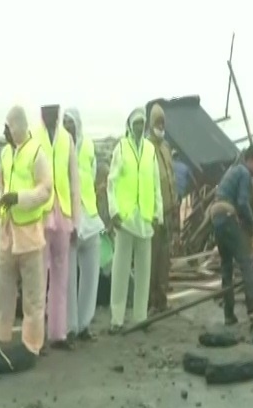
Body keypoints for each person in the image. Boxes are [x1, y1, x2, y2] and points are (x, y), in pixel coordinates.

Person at [0, 106, 52, 355]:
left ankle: (32, 345)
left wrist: (19, 198)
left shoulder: (37, 153)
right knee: (3, 292)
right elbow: (0, 184)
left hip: (29, 235)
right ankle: (1, 338)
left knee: (33, 297)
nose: (5, 132)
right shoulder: (5, 154)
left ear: (18, 126)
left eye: (8, 127)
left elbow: (45, 190)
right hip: (7, 234)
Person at [107, 108, 163, 333]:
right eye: (137, 123)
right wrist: (114, 212)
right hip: (126, 218)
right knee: (120, 272)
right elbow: (111, 183)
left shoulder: (150, 150)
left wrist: (158, 214)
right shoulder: (121, 148)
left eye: (143, 123)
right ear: (130, 126)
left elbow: (155, 184)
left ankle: (140, 317)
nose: (140, 127)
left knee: (144, 272)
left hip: (145, 219)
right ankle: (116, 319)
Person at [34, 104, 81, 350]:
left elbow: (75, 182)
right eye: (46, 110)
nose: (50, 115)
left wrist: (76, 223)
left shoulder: (66, 140)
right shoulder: (33, 137)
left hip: (62, 214)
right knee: (39, 279)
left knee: (61, 277)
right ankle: (37, 337)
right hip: (41, 216)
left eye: (53, 110)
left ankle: (58, 333)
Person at [62, 108, 103, 342]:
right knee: (68, 278)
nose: (68, 125)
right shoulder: (59, 149)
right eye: (65, 122)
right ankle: (70, 327)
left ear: (78, 123)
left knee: (90, 277)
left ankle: (85, 324)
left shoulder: (88, 146)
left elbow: (94, 173)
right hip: (69, 220)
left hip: (91, 217)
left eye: (71, 122)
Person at [209, 145, 253, 325]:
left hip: (217, 219)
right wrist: (251, 224)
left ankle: (229, 315)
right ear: (252, 161)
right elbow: (242, 203)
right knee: (246, 262)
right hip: (228, 216)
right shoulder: (245, 174)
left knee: (226, 267)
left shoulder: (233, 171)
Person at [147, 103, 177, 313]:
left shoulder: (166, 148)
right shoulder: (146, 148)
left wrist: (174, 205)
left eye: (163, 122)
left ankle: (162, 299)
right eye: (157, 122)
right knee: (152, 258)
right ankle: (150, 300)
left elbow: (171, 178)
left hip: (168, 211)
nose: (161, 126)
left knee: (165, 259)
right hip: (153, 213)